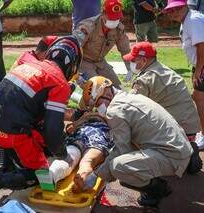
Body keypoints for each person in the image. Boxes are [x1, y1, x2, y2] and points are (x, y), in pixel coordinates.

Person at [0, 36, 82, 208]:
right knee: (42, 176)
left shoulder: (27, 64)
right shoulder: (59, 83)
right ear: (72, 65)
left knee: (24, 147)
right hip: (12, 133)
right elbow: (52, 130)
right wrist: (62, 154)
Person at [81, 76, 201, 207]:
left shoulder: (115, 111)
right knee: (124, 161)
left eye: (98, 104)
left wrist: (96, 175)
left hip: (173, 156)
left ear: (106, 93)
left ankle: (157, 190)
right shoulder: (129, 96)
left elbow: (122, 150)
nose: (99, 109)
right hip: (178, 147)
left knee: (119, 167)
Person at [124, 42, 201, 149]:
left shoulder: (145, 79)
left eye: (133, 60)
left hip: (175, 133)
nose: (130, 63)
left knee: (132, 131)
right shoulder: (163, 69)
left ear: (144, 60)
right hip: (191, 129)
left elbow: (131, 107)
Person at [163, 0, 204, 149]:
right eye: (172, 10)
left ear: (185, 6)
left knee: (198, 98)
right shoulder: (187, 20)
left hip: (203, 65)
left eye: (178, 8)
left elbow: (202, 46)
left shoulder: (193, 20)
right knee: (198, 98)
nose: (174, 12)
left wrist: (198, 70)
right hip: (200, 64)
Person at [72, 0, 132, 88]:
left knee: (117, 88)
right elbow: (74, 49)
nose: (114, 21)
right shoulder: (88, 26)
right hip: (84, 62)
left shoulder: (119, 29)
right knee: (96, 90)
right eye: (111, 18)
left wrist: (130, 68)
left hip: (100, 62)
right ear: (103, 14)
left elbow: (125, 50)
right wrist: (76, 74)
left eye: (117, 18)